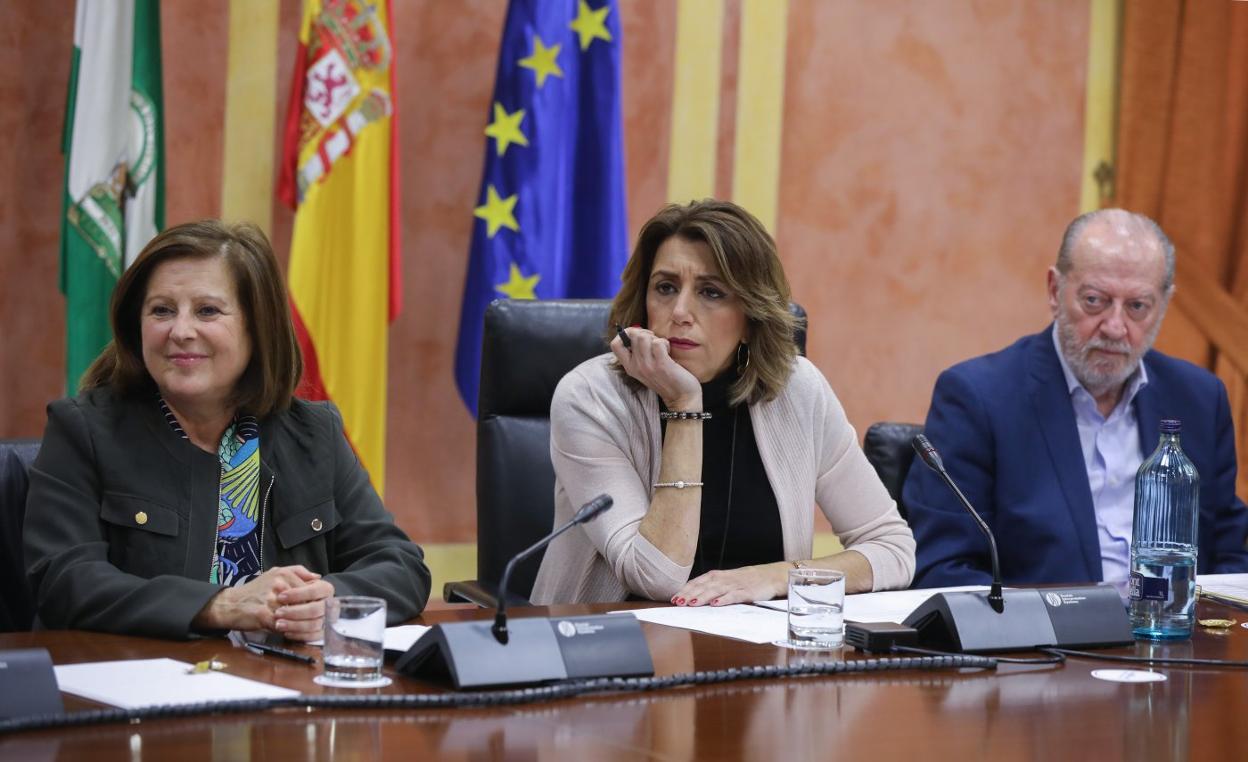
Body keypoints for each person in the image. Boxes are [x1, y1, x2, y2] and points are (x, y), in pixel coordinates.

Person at [24, 220, 431, 640]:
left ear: (258, 327)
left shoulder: (314, 433)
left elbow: (401, 566)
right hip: (138, 685)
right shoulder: (83, 429)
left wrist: (325, 599)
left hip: (284, 686)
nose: (180, 331)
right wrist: (217, 605)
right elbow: (63, 581)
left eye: (207, 311)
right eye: (161, 310)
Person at [530, 199, 915, 605]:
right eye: (665, 287)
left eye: (711, 292)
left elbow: (893, 549)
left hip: (757, 653)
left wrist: (777, 577)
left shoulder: (798, 392)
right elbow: (655, 577)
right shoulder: (591, 397)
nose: (679, 311)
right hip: (612, 650)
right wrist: (684, 404)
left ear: (751, 315)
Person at [905, 208, 1248, 589]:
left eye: (1137, 307)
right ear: (1055, 290)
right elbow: (943, 568)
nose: (1115, 327)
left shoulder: (1199, 399)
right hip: (1043, 643)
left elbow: (1229, 556)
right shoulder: (978, 398)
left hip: (1176, 640)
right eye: (1095, 301)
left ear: (1164, 305)